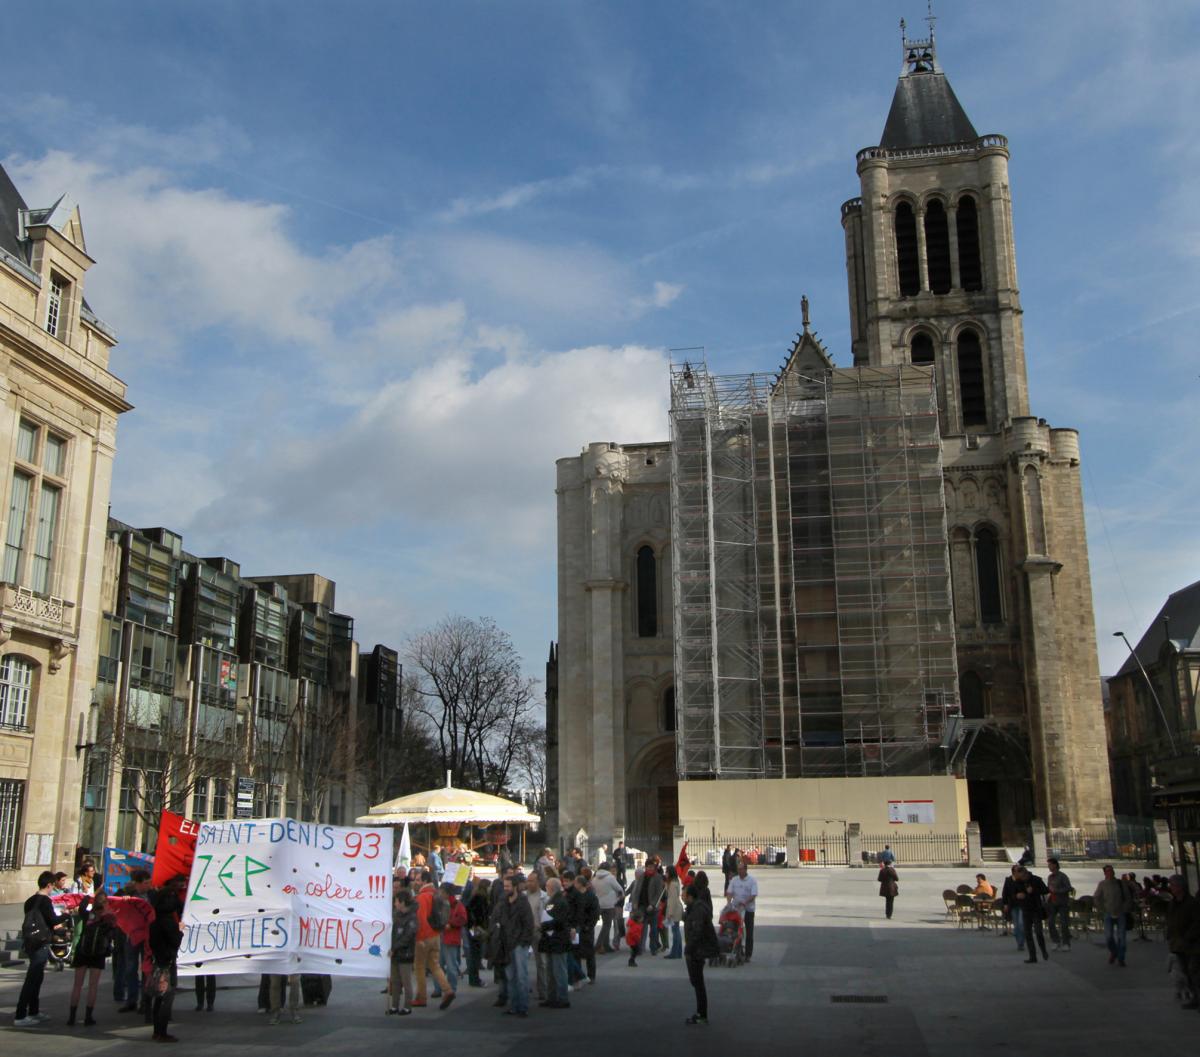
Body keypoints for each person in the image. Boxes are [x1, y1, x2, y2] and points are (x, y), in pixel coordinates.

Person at [14, 870, 62, 1027]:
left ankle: (34, 1010)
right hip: (40, 941)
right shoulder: (45, 902)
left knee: (37, 977)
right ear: (49, 885)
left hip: (30, 940)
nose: (52, 889)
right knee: (32, 978)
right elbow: (53, 920)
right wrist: (66, 915)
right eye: (52, 886)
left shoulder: (30, 900)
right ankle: (21, 1014)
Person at [147, 876, 186, 1041]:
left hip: (159, 961)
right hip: (168, 962)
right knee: (166, 997)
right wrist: (180, 930)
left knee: (160, 996)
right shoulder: (168, 922)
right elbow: (176, 941)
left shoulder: (155, 921)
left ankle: (157, 1030)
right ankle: (161, 1031)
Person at [69, 891, 116, 1026]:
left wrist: (86, 897)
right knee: (93, 986)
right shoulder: (109, 918)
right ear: (106, 903)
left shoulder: (87, 914)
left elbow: (82, 907)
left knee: (77, 985)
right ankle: (88, 1017)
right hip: (98, 954)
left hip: (82, 952)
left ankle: (72, 1017)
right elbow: (112, 934)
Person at [413, 871, 456, 1009]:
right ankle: (448, 990)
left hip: (424, 936)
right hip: (436, 934)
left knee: (419, 967)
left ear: (425, 881)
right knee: (435, 965)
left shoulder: (422, 897)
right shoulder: (436, 894)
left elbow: (421, 919)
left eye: (418, 879)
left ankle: (421, 997)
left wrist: (419, 938)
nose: (415, 882)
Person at [495, 874, 535, 1017]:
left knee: (521, 976)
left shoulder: (523, 902)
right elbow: (499, 919)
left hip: (519, 943)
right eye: (504, 886)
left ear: (515, 887)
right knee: (511, 976)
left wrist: (524, 941)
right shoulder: (503, 902)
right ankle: (513, 1006)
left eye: (508, 886)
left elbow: (529, 924)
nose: (505, 889)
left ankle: (522, 1006)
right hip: (506, 943)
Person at [682, 883, 719, 1025]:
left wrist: (689, 948)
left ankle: (702, 1014)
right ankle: (701, 1013)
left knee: (697, 982)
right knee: (696, 982)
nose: (682, 897)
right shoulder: (695, 908)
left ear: (690, 896)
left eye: (684, 895)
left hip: (698, 949)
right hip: (696, 949)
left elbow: (696, 931)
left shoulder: (698, 910)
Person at [117, 868, 151, 1013]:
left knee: (146, 969)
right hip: (132, 936)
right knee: (130, 969)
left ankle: (145, 1000)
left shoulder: (152, 895)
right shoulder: (129, 894)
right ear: (137, 884)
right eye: (145, 883)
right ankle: (131, 1000)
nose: (148, 885)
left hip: (147, 937)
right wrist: (124, 897)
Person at [1164, 874, 1200, 1010]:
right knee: (1186, 972)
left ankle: (1197, 997)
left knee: (1194, 970)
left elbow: (1197, 922)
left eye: (1173, 885)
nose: (1171, 888)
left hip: (1192, 944)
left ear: (1180, 887)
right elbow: (1171, 920)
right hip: (1178, 943)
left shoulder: (1192, 903)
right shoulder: (1173, 903)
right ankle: (1195, 997)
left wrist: (1188, 937)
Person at [539, 877, 572, 1007]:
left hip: (557, 939)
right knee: (552, 970)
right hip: (553, 939)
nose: (545, 888)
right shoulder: (554, 900)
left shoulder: (559, 901)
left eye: (547, 886)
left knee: (558, 970)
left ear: (551, 887)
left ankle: (561, 998)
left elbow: (559, 920)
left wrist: (545, 926)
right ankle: (553, 997)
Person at [1094, 864, 1134, 967]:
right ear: (1105, 873)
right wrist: (1102, 908)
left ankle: (1121, 957)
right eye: (1107, 871)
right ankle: (1114, 951)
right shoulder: (1102, 884)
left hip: (1121, 913)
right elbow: (1097, 897)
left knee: (1122, 938)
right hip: (1108, 913)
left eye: (1111, 871)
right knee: (1109, 937)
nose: (1110, 873)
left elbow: (1128, 897)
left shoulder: (1120, 884)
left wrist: (1125, 909)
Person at [1012, 865, 1049, 964]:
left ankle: (1043, 951)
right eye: (1020, 877)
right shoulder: (1018, 882)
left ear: (1026, 873)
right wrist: (1017, 896)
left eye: (1023, 876)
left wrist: (1034, 891)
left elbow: (1046, 890)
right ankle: (1032, 956)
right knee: (1028, 934)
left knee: (1038, 932)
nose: (1022, 879)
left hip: (1036, 909)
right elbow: (1013, 895)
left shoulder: (1036, 880)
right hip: (1025, 910)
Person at [388, 889, 417, 1015]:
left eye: (396, 901)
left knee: (406, 981)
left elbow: (408, 936)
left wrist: (395, 948)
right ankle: (394, 1005)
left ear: (402, 902)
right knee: (395, 981)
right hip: (395, 953)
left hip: (405, 953)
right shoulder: (396, 915)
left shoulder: (411, 917)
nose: (395, 903)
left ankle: (407, 1006)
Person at [727, 860, 759, 958]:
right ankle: (738, 950)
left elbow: (753, 895)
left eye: (741, 869)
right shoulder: (734, 880)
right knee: (736, 930)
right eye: (738, 869)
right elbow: (729, 892)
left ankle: (748, 955)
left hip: (748, 909)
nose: (739, 871)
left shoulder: (752, 881)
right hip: (736, 910)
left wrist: (745, 902)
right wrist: (729, 903)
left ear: (745, 869)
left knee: (749, 932)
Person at [571, 872, 599, 985]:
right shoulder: (574, 895)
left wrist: (589, 925)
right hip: (577, 927)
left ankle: (591, 975)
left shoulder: (591, 896)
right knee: (576, 951)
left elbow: (595, 913)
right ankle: (578, 975)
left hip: (586, 927)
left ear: (580, 884)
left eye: (575, 883)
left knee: (589, 952)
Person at [631, 862, 665, 956]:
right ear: (645, 867)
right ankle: (640, 948)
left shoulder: (658, 877)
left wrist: (653, 904)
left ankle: (653, 948)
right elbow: (637, 890)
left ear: (654, 868)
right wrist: (635, 903)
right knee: (641, 928)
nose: (650, 869)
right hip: (642, 906)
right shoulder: (642, 876)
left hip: (653, 907)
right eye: (648, 867)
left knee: (653, 929)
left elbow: (659, 893)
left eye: (652, 867)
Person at [593, 861, 624, 954]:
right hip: (609, 905)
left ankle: (605, 945)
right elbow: (619, 889)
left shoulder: (594, 878)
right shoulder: (610, 878)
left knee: (601, 925)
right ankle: (599, 944)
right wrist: (617, 898)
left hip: (598, 904)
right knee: (607, 925)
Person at [1044, 858, 1072, 951]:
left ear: (1055, 865)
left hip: (1063, 903)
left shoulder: (1062, 876)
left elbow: (1068, 888)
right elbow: (1049, 889)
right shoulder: (1050, 877)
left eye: (1050, 865)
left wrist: (1057, 891)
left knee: (1064, 923)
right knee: (1051, 922)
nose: (1049, 867)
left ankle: (1066, 943)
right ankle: (1056, 941)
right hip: (1053, 902)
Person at [1000, 864, 1026, 951]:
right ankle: (1020, 943)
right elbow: (1005, 893)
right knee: (1016, 925)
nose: (1020, 872)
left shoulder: (1023, 880)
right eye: (1018, 871)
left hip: (1022, 905)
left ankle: (1022, 941)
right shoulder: (1008, 880)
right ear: (1014, 872)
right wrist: (1005, 904)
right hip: (1013, 905)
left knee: (1021, 924)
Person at [665, 865, 685, 959]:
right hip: (677, 907)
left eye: (667, 872)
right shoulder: (675, 882)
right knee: (676, 930)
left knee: (675, 931)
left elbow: (672, 899)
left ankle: (675, 952)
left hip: (674, 909)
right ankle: (678, 951)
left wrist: (670, 913)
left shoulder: (672, 884)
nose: (666, 874)